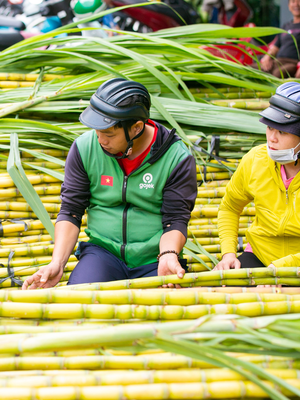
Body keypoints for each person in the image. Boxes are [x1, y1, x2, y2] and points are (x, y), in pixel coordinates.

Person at [22, 79, 198, 289]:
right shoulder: (84, 148)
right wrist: (57, 263)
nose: (100, 140)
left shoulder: (176, 158)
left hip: (154, 259)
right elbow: (71, 210)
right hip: (102, 254)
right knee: (79, 305)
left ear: (136, 128)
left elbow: (175, 219)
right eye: (96, 131)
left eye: (108, 134)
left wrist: (168, 255)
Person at [215, 82, 300, 270]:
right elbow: (229, 208)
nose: (272, 138)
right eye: (269, 127)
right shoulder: (254, 160)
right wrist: (228, 253)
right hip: (262, 256)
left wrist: (283, 268)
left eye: (282, 131)